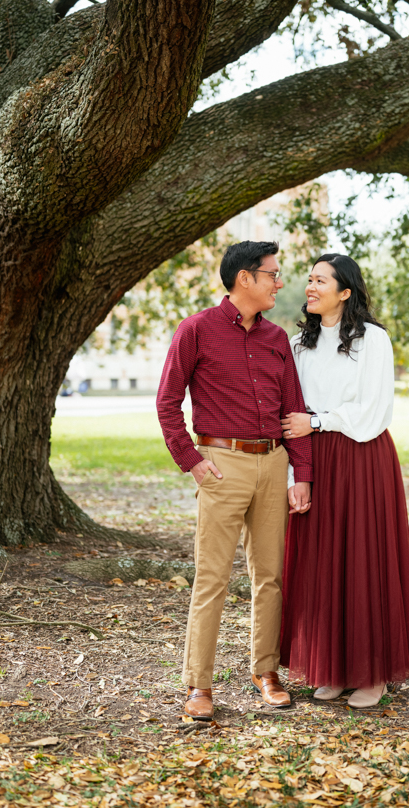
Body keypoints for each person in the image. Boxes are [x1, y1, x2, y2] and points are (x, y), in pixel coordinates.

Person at [157, 241, 313, 721]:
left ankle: (265, 672)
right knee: (212, 578)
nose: (279, 282)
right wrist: (193, 461)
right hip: (222, 466)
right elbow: (167, 402)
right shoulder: (197, 330)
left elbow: (294, 412)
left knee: (270, 577)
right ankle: (198, 686)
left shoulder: (277, 339)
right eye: (273, 274)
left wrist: (300, 473)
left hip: (272, 464)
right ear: (245, 278)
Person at [280, 253, 409, 709]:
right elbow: (290, 417)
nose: (310, 286)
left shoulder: (373, 340)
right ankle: (333, 667)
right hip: (311, 458)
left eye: (321, 280)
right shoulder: (296, 345)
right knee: (322, 562)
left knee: (363, 558)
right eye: (308, 279)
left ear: (345, 292)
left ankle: (371, 673)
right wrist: (294, 472)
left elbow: (373, 410)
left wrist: (319, 423)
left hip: (361, 457)